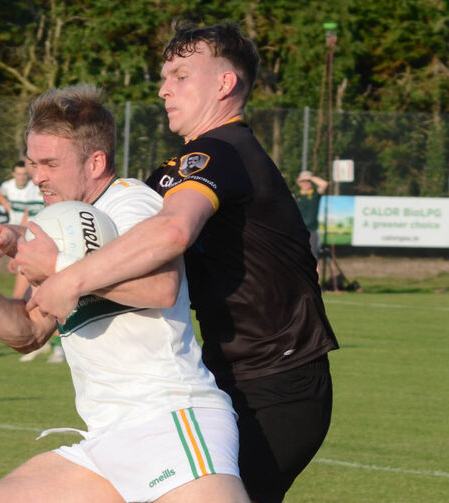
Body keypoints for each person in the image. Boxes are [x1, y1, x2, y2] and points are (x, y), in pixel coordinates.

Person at [24, 23, 338, 503]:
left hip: (276, 382)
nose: (163, 87)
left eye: (181, 75)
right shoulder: (177, 170)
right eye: (165, 75)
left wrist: (69, 275)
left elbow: (172, 231)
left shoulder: (221, 152)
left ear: (224, 84)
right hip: (227, 377)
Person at [0, 85, 249, 503]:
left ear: (96, 162)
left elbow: (162, 287)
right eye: (33, 164)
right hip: (105, 442)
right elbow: (30, 333)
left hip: (169, 420)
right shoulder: (57, 225)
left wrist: (57, 267)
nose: (37, 176)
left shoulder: (130, 204)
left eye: (50, 163)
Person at [0, 160, 60, 362]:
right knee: (21, 298)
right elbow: (4, 196)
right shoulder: (9, 187)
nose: (23, 176)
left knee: (51, 299)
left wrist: (18, 250)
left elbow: (27, 220)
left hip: (40, 246)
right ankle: (38, 343)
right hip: (26, 246)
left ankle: (59, 348)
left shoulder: (38, 190)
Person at [294, 170, 328, 259]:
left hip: (312, 231)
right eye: (303, 181)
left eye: (307, 181)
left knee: (313, 257)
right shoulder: (296, 196)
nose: (305, 183)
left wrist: (310, 177)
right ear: (299, 183)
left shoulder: (315, 194)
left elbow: (324, 184)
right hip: (298, 231)